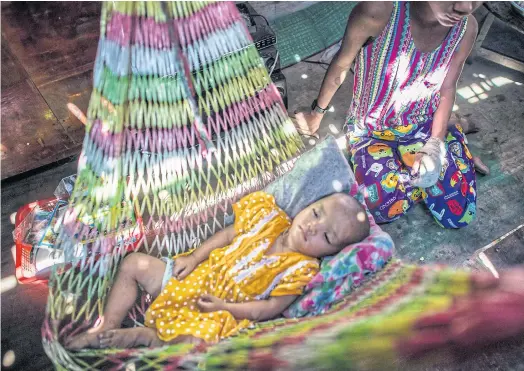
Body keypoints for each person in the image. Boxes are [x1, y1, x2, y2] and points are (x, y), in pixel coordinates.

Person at [66, 191, 371, 349]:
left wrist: (226, 307)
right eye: (316, 212)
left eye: (327, 237)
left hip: (218, 311)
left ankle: (147, 338)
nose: (313, 227)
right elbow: (227, 235)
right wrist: (196, 257)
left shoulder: (302, 268)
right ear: (310, 204)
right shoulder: (269, 217)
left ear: (332, 252)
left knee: (193, 347)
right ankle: (108, 326)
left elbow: (267, 309)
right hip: (191, 278)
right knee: (134, 263)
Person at [294, 1, 484, 228]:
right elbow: (341, 65)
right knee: (379, 208)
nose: (465, 6)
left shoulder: (466, 28)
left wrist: (434, 144)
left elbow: (447, 87)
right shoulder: (379, 11)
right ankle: (455, 152)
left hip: (425, 124)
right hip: (373, 131)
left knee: (459, 217)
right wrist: (316, 114)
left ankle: (449, 141)